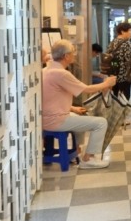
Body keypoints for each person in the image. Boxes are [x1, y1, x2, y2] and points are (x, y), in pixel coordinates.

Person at [42, 39, 117, 169]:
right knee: (101, 122)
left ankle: (76, 150)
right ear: (66, 56)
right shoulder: (61, 73)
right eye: (73, 52)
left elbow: (51, 98)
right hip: (56, 120)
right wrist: (107, 83)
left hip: (47, 117)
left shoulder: (46, 70)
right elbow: (86, 89)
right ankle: (89, 159)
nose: (74, 55)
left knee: (81, 116)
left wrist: (72, 108)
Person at [105, 22, 131, 100]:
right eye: (129, 31)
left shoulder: (112, 42)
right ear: (122, 31)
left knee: (114, 98)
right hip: (123, 77)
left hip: (112, 76)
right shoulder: (126, 43)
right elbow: (129, 60)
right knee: (124, 100)